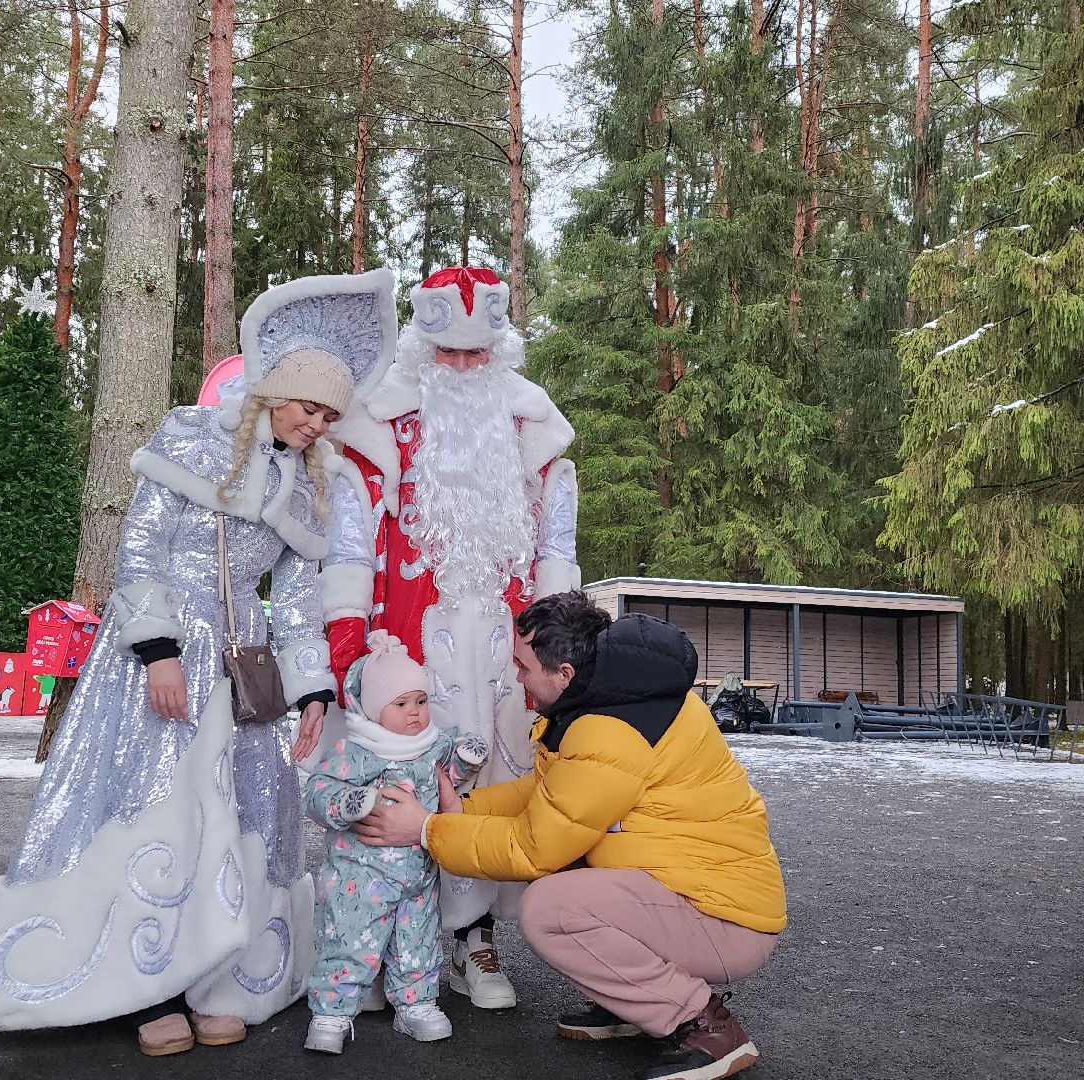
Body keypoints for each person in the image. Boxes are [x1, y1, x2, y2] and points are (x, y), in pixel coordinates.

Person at [0, 270, 399, 1056]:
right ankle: (141, 988)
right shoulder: (189, 441)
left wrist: (312, 688)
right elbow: (140, 553)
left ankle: (216, 979)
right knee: (160, 807)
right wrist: (158, 652)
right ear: (273, 391)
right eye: (307, 406)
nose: (317, 424)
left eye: (330, 415)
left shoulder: (308, 484)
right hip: (163, 654)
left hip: (241, 663)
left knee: (243, 813)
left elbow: (295, 599)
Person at [355, 592, 787, 1080]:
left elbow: (533, 847)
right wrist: (462, 807)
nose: (517, 677)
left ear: (563, 673)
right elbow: (554, 793)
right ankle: (634, 1003)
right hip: (698, 891)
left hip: (723, 921)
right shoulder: (613, 696)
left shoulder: (611, 730)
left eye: (523, 666)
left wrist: (428, 830)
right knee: (569, 865)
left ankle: (702, 1023)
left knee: (551, 909)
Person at [322, 264, 581, 1008]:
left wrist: (561, 651)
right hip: (408, 651)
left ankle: (474, 940)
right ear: (422, 350)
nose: (464, 368)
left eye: (477, 354)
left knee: (497, 784)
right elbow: (349, 549)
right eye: (449, 353)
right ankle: (379, 943)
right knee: (401, 786)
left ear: (500, 352)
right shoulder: (381, 429)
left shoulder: (534, 432)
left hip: (509, 650)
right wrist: (348, 646)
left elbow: (556, 549)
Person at [299, 630, 487, 1054]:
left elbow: (448, 779)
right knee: (349, 940)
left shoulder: (432, 745)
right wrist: (347, 803)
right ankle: (331, 1011)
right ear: (372, 708)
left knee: (417, 943)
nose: (414, 712)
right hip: (359, 879)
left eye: (420, 701)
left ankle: (416, 1004)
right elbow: (317, 792)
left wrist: (466, 759)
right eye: (400, 704)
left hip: (417, 876)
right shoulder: (355, 752)